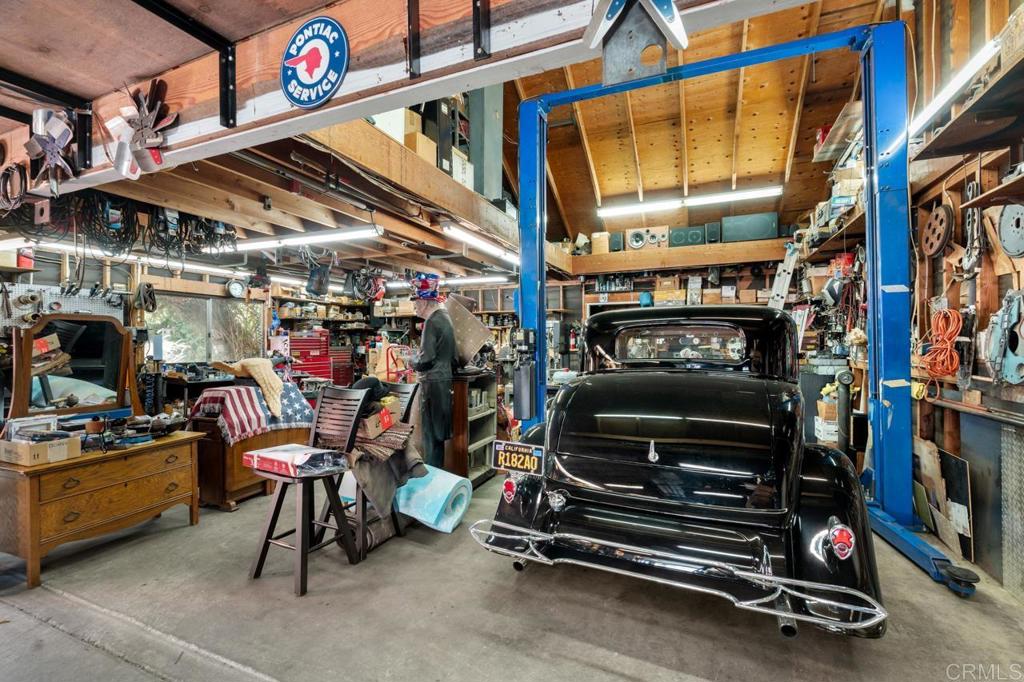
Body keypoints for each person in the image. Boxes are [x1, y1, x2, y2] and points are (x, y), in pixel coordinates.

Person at [410, 278, 457, 468]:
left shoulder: (431, 322)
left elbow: (425, 359)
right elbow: (453, 357)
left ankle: (434, 483)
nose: (414, 306)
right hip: (444, 383)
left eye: (415, 302)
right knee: (438, 437)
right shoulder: (445, 318)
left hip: (432, 384)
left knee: (431, 439)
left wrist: (411, 361)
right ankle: (439, 479)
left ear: (423, 301)